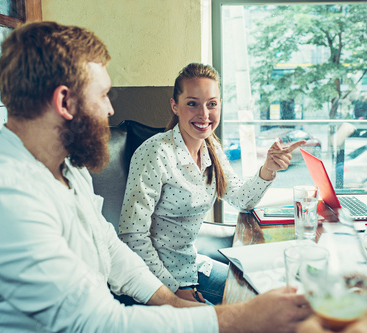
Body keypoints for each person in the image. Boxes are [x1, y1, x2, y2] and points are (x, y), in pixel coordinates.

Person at [0, 21, 309, 332]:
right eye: (103, 95)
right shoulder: (3, 195)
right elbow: (98, 323)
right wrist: (240, 317)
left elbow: (111, 249)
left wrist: (176, 304)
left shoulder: (68, 168)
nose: (110, 110)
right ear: (64, 101)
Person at [118, 62, 305, 304]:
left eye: (212, 104)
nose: (204, 115)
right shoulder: (155, 153)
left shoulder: (211, 147)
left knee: (264, 296)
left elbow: (242, 199)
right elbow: (132, 236)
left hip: (191, 265)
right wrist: (173, 290)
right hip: (156, 280)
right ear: (175, 106)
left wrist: (268, 168)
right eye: (192, 104)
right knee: (241, 317)